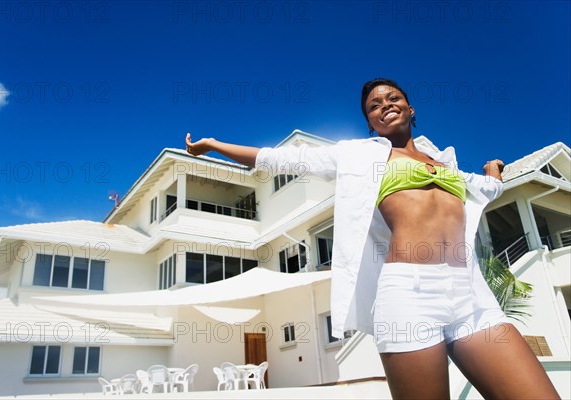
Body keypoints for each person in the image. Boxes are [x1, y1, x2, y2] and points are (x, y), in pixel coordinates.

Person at [185, 78, 560, 399]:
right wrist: (216, 144)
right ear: (370, 123)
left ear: (411, 109)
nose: (385, 106)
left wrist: (493, 171)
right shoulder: (357, 157)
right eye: (374, 106)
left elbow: (487, 189)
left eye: (393, 99)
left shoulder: (446, 164)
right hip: (408, 296)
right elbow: (279, 159)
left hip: (470, 295)